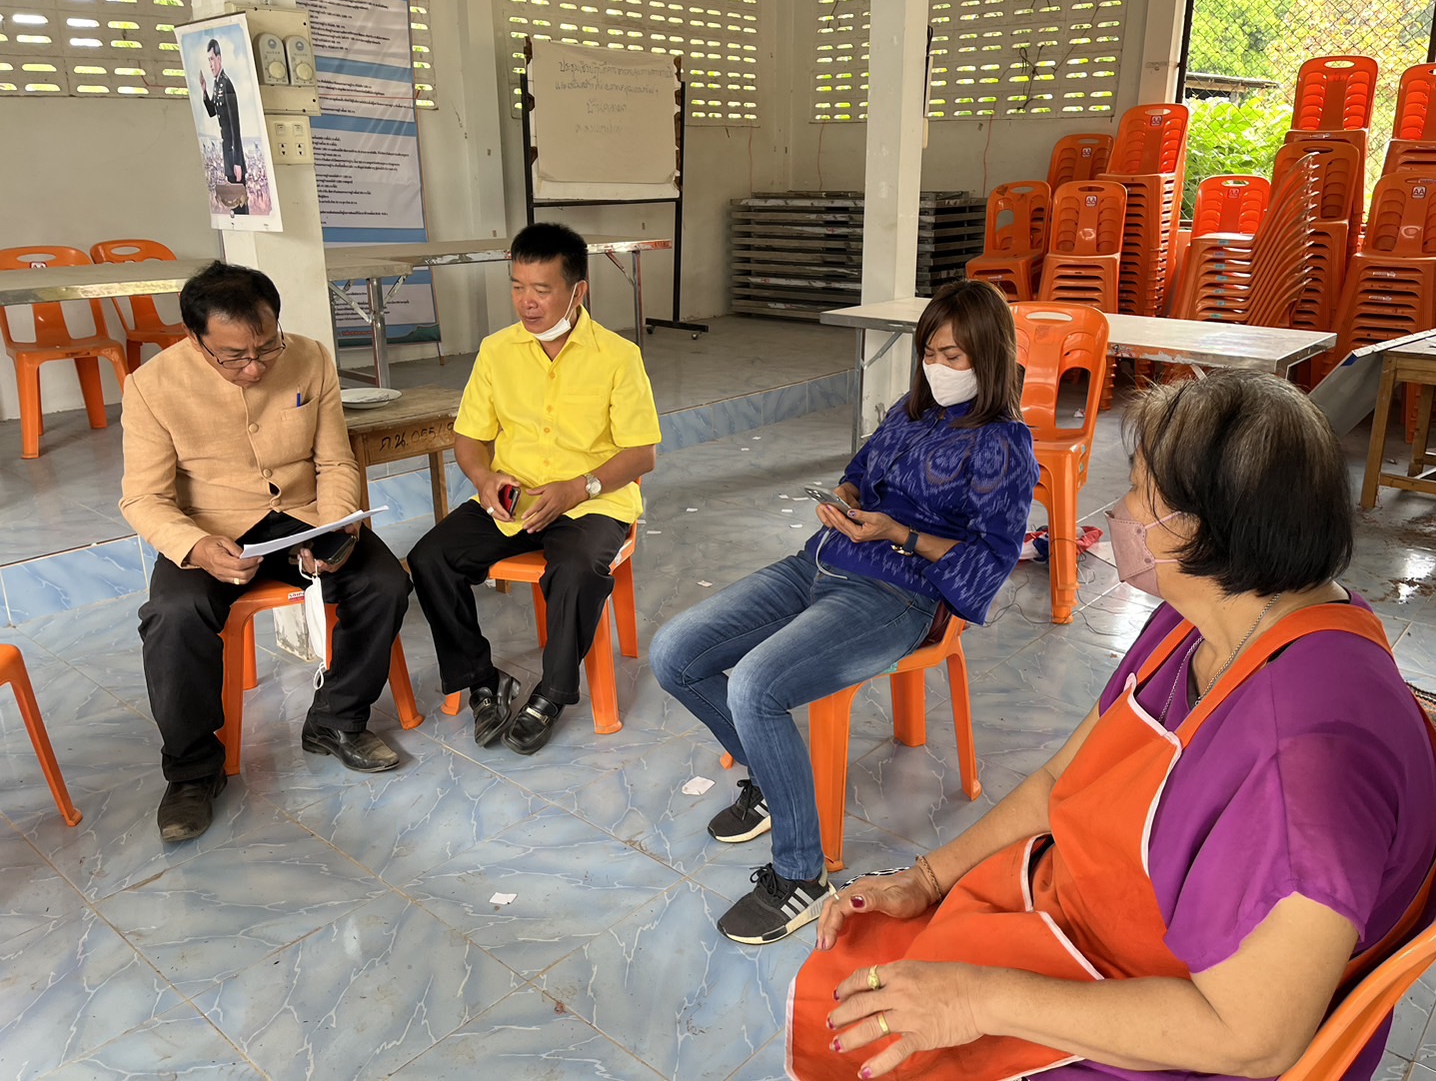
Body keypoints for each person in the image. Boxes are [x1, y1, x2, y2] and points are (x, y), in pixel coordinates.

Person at [789, 371, 1436, 1081]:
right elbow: (1060, 779)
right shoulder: (1207, 619)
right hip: (1094, 924)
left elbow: (1252, 1037)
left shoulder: (1308, 763)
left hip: (1164, 1028)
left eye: (1137, 490)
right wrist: (927, 878)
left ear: (1199, 526)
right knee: (852, 980)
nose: (1120, 510)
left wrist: (978, 1000)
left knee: (881, 1040)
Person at [650, 279, 1038, 946]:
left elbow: (991, 560)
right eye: (929, 353)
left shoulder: (1003, 445)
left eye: (953, 356)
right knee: (674, 653)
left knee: (755, 686)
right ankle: (772, 781)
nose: (937, 368)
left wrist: (900, 534)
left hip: (896, 596)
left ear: (989, 357)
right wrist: (845, 497)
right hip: (821, 563)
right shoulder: (909, 413)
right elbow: (859, 470)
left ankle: (801, 875)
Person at [121, 263, 411, 843]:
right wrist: (197, 547)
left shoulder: (310, 357)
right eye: (234, 356)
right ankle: (192, 771)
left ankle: (336, 719)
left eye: (266, 348)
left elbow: (335, 461)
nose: (254, 368)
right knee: (173, 616)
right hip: (212, 528)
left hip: (303, 516)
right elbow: (143, 498)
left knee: (385, 583)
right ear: (194, 338)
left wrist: (332, 530)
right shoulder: (152, 386)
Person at [408, 223, 660, 756]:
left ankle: (551, 694)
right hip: (513, 501)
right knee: (430, 558)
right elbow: (469, 438)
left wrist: (579, 487)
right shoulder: (497, 351)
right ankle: (483, 680)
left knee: (577, 569)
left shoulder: (618, 356)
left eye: (542, 290)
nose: (527, 302)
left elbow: (642, 454)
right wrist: (485, 479)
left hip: (592, 501)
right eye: (518, 286)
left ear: (578, 290)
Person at [199, 38, 248, 216]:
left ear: (219, 58)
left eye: (212, 59)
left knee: (239, 200)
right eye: (208, 60)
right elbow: (213, 112)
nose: (210, 64)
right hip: (227, 152)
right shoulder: (216, 85)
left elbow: (235, 125)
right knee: (232, 202)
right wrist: (204, 91)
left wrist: (237, 161)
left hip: (234, 155)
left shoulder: (226, 84)